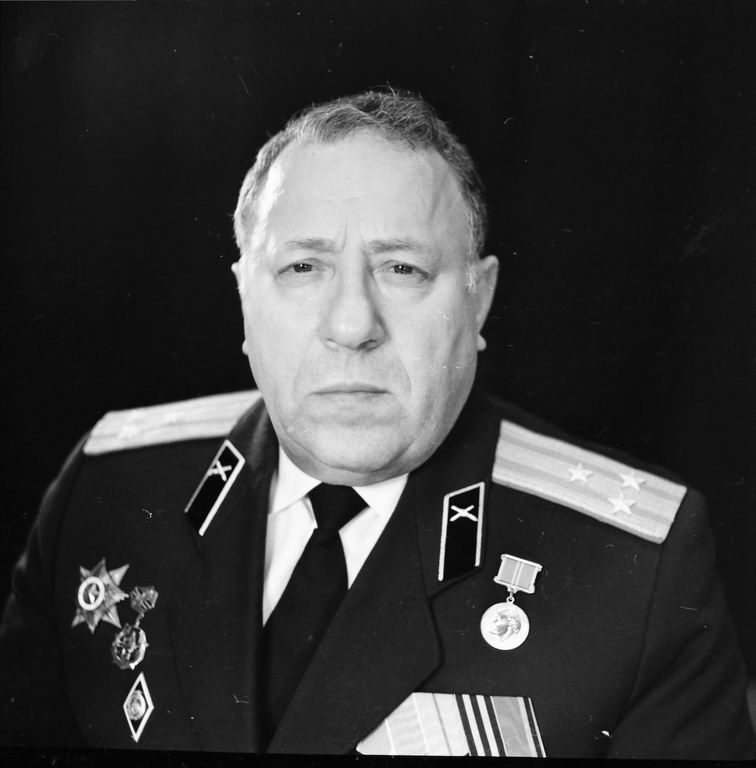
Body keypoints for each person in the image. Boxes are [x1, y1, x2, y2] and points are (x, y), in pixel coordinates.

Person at [0, 89, 753, 759]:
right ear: (244, 299)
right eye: (303, 267)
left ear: (479, 299)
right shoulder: (107, 489)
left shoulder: (636, 574)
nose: (353, 324)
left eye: (403, 269)